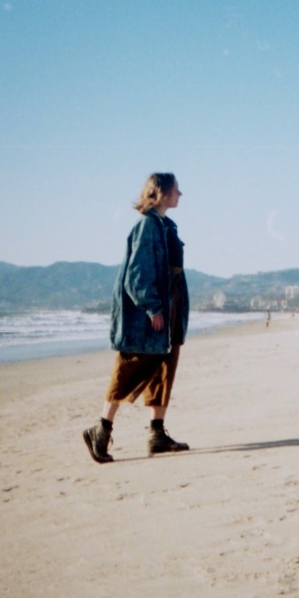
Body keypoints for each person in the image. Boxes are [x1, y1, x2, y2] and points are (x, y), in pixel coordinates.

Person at [82, 173, 190, 462]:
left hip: (171, 305)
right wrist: (152, 307)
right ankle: (100, 430)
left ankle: (156, 433)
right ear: (163, 193)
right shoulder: (147, 227)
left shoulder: (164, 225)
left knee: (165, 366)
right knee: (130, 365)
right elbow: (137, 275)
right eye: (176, 190)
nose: (181, 194)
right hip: (152, 310)